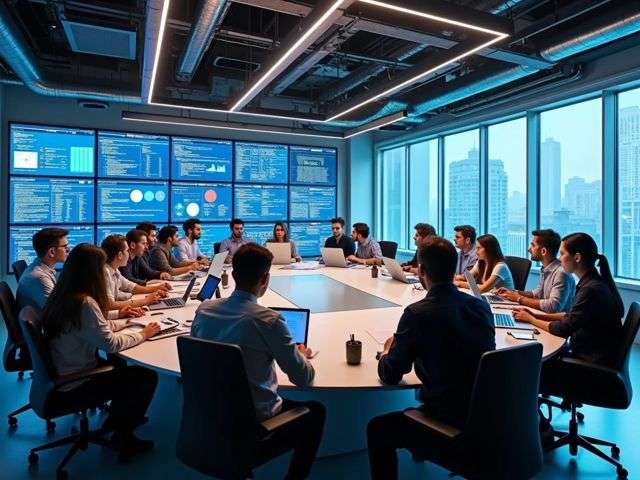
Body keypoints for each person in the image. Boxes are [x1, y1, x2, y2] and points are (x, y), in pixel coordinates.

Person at [191, 244, 325, 479]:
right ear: (266, 279)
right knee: (316, 411)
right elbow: (303, 378)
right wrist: (299, 354)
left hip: (206, 412)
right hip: (253, 420)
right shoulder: (268, 321)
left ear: (233, 275)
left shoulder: (204, 310)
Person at [367, 237, 495, 480]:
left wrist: (385, 353)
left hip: (449, 420)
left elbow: (391, 375)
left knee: (378, 429)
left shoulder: (418, 313)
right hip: (489, 415)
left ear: (422, 271)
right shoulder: (480, 307)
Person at [41, 243, 160, 460]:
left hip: (61, 373)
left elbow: (95, 326)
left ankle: (115, 421)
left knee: (120, 366)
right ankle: (122, 435)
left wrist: (124, 320)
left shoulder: (65, 295)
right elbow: (111, 344)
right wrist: (143, 334)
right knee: (145, 377)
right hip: (75, 383)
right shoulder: (85, 303)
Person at [512, 232, 624, 366]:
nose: (559, 259)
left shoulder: (590, 289)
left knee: (530, 363)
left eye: (562, 253)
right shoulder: (592, 282)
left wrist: (531, 320)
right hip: (590, 353)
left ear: (577, 258)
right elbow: (570, 316)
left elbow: (564, 328)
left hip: (589, 361)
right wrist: (534, 314)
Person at [496, 229, 575, 312]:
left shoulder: (561, 273)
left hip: (553, 321)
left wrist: (519, 298)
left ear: (543, 251)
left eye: (533, 245)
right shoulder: (546, 269)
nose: (529, 249)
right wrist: (513, 292)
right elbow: (537, 293)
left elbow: (553, 306)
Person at [101, 235, 171, 310]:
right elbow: (110, 305)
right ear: (120, 255)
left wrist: (155, 289)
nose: (129, 253)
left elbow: (131, 287)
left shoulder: (115, 269)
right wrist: (145, 301)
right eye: (127, 251)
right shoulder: (105, 272)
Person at [16, 227, 69, 312]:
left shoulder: (40, 269)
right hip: (48, 324)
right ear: (52, 252)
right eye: (65, 246)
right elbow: (59, 312)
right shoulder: (39, 278)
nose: (68, 250)